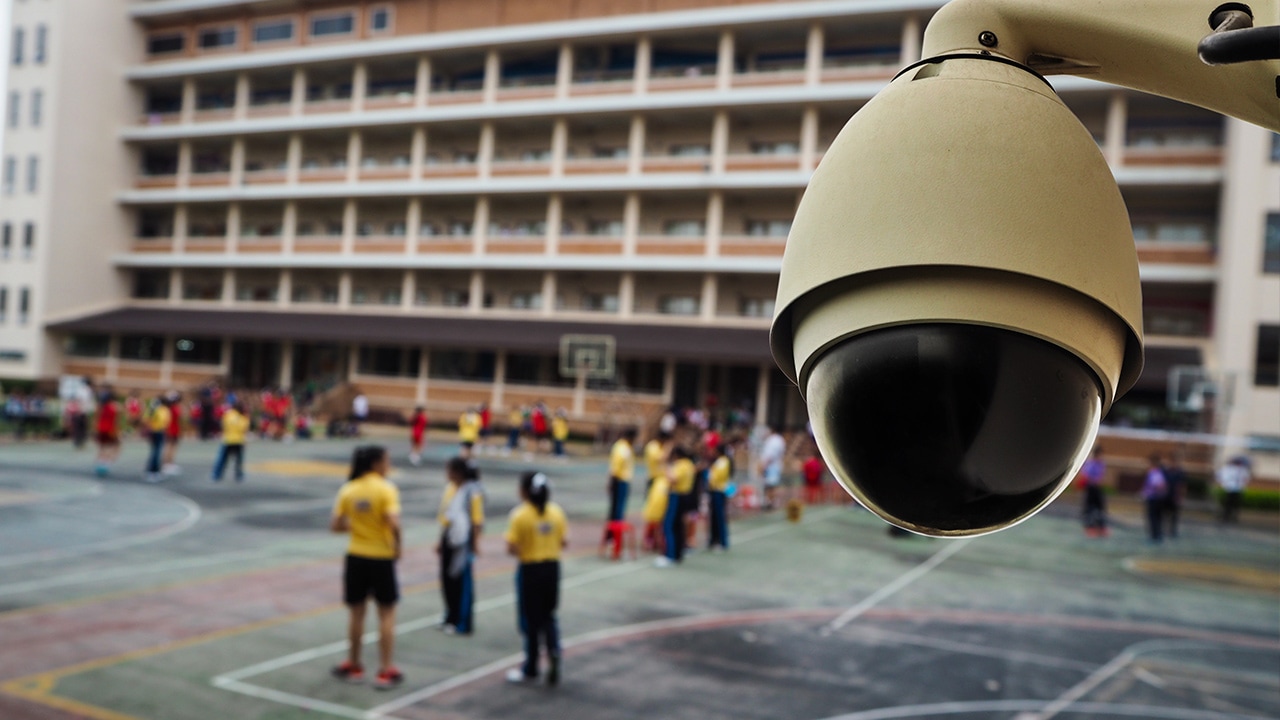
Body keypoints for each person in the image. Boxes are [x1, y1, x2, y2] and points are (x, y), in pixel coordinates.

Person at [330, 446, 404, 689]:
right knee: (386, 614)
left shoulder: (348, 489)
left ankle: (354, 664)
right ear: (375, 463)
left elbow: (336, 525)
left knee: (356, 613)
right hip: (381, 557)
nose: (388, 464)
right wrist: (398, 546)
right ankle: (384, 669)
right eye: (386, 460)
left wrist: (359, 527)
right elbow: (394, 522)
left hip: (356, 556)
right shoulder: (386, 488)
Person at [505, 471, 567, 686]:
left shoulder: (520, 515)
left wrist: (526, 548)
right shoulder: (556, 512)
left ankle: (531, 667)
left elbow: (511, 546)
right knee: (549, 615)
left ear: (524, 491)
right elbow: (563, 541)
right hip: (552, 568)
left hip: (530, 569)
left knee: (531, 621)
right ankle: (554, 651)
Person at [437, 457, 485, 636]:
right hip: (449, 537)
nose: (447, 474)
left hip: (463, 543)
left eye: (449, 470)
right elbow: (447, 516)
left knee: (462, 582)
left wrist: (476, 544)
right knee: (447, 579)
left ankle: (463, 622)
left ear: (457, 472)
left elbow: (477, 521)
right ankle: (450, 616)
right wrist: (440, 540)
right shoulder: (450, 489)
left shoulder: (472, 492)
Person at [656, 447, 696, 568]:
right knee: (678, 526)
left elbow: (673, 479)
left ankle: (670, 555)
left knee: (669, 525)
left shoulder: (681, 465)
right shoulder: (689, 464)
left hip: (677, 496)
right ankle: (677, 553)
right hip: (685, 496)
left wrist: (666, 469)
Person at [605, 429, 636, 545]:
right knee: (618, 509)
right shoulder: (622, 449)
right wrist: (612, 482)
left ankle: (613, 535)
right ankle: (614, 536)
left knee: (617, 509)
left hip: (621, 480)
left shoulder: (624, 447)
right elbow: (615, 468)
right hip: (619, 481)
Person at [212, 403, 250, 483]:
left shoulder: (228, 415)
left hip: (228, 439)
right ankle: (239, 475)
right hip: (238, 440)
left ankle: (217, 474)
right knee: (238, 460)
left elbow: (223, 425)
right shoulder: (242, 417)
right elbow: (244, 429)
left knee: (222, 459)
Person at [707, 443, 732, 552]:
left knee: (720, 517)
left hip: (719, 490)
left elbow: (716, 476)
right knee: (714, 517)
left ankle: (723, 542)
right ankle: (714, 540)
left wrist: (711, 474)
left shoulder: (723, 462)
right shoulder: (719, 462)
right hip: (714, 490)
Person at [1079, 445, 1108, 537]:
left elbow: (1102, 476)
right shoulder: (1090, 463)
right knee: (1089, 508)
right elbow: (1085, 475)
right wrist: (1093, 481)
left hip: (1098, 489)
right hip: (1091, 488)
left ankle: (1101, 527)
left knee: (1100, 508)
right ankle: (1089, 527)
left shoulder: (1102, 464)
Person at [144, 395, 173, 483]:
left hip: (153, 432)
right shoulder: (164, 410)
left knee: (154, 451)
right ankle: (154, 471)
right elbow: (166, 421)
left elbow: (146, 419)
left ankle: (150, 470)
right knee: (157, 452)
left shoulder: (153, 409)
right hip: (159, 432)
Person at [1140, 453, 1168, 544]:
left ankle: (1155, 536)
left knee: (1153, 518)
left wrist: (1151, 491)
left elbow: (1158, 485)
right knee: (1157, 518)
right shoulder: (1159, 472)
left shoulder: (1154, 472)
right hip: (1157, 498)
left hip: (1154, 498)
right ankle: (1157, 534)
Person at [93, 389, 121, 477]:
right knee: (112, 447)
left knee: (102, 447)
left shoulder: (100, 406)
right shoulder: (115, 407)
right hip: (110, 430)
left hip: (101, 429)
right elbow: (116, 421)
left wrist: (95, 430)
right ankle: (106, 463)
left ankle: (101, 463)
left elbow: (96, 419)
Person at [759, 426, 786, 510]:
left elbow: (770, 455)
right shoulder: (780, 440)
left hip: (771, 466)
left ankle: (770, 502)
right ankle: (770, 501)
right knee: (771, 486)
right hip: (775, 466)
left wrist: (763, 466)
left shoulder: (773, 440)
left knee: (770, 486)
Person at [1216, 456, 1251, 524]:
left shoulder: (1243, 470)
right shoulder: (1228, 469)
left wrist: (1243, 483)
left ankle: (1233, 516)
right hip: (1229, 488)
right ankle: (1225, 516)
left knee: (1235, 504)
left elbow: (1246, 479)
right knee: (1227, 503)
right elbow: (1220, 476)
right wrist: (1222, 482)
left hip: (1238, 488)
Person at [642, 471, 670, 554]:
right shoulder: (660, 481)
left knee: (655, 528)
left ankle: (653, 542)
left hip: (654, 511)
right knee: (658, 528)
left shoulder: (659, 481)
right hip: (657, 512)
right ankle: (655, 543)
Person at [1162, 452, 1186, 539]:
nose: (1173, 463)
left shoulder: (1180, 472)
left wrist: (1181, 497)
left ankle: (1172, 530)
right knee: (1164, 514)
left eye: (1175, 461)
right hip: (1165, 496)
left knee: (1174, 516)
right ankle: (1164, 529)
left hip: (1175, 497)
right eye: (1172, 461)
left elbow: (1182, 485)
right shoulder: (1165, 471)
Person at [161, 392, 184, 477]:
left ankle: (169, 463)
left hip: (174, 429)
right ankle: (167, 464)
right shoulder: (174, 408)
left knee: (171, 447)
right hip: (172, 430)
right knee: (170, 447)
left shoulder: (170, 408)